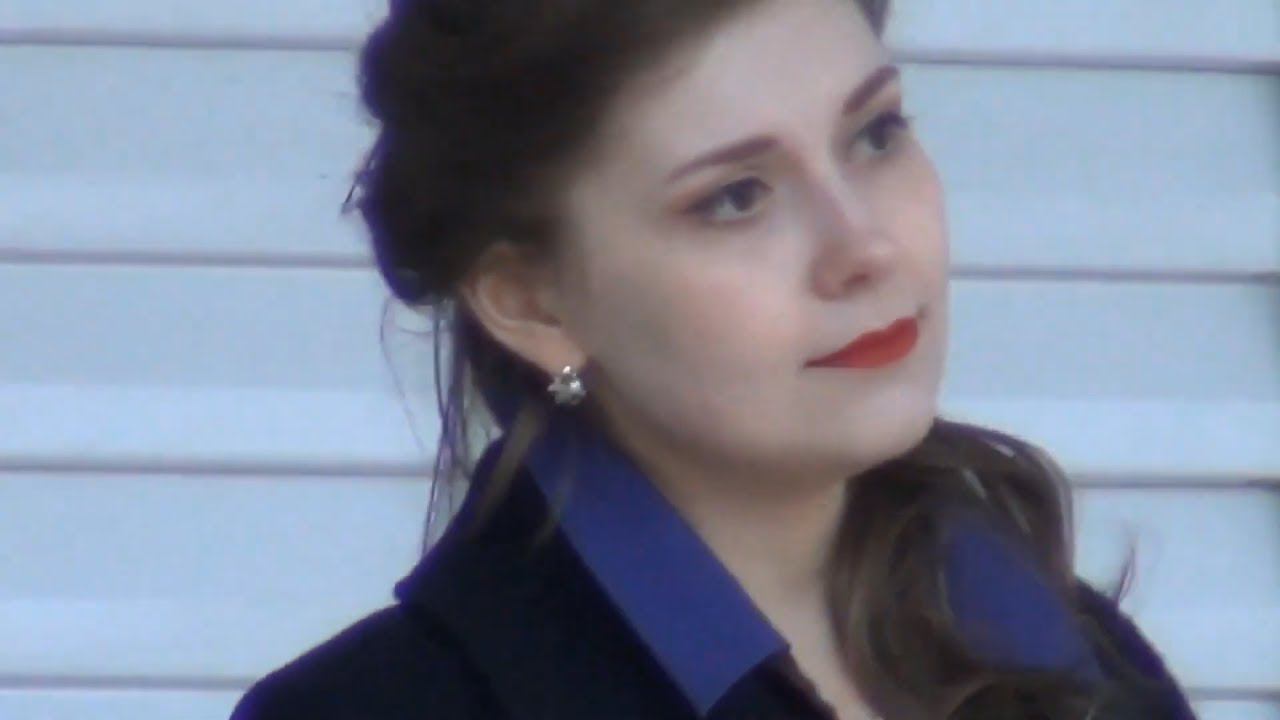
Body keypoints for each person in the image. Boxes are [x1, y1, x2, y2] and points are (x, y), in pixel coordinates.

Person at [229, 1, 1197, 718]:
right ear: (533, 303)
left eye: (874, 134)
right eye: (735, 197)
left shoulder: (1077, 657)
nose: (863, 246)